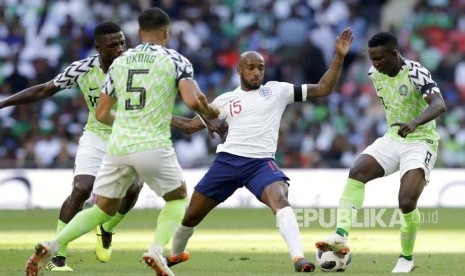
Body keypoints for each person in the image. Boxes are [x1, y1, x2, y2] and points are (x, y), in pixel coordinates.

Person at [24, 7, 219, 276]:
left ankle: (53, 244)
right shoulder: (176, 59)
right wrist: (211, 113)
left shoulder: (120, 64)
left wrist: (128, 118)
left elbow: (102, 113)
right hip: (152, 143)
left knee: (101, 208)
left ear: (138, 33)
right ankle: (155, 250)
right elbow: (192, 100)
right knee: (177, 200)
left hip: (118, 145)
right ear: (166, 32)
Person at [165, 29, 354, 273]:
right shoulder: (225, 100)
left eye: (260, 67)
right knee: (190, 217)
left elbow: (323, 88)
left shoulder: (277, 90)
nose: (256, 72)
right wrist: (161, 115)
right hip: (227, 163)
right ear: (239, 71)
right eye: (251, 67)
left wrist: (338, 56)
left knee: (281, 200)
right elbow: (191, 126)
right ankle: (176, 255)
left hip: (260, 164)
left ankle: (299, 259)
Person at [0, 22, 143, 271]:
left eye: (122, 42)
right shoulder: (83, 69)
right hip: (97, 136)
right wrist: (3, 104)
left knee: (133, 189)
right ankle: (58, 255)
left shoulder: (138, 67)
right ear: (98, 47)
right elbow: (44, 90)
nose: (120, 48)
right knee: (81, 188)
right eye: (113, 45)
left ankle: (107, 228)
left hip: (128, 137)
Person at [315, 31, 446, 273]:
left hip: (421, 141)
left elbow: (440, 104)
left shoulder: (416, 71)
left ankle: (406, 258)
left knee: (406, 202)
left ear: (394, 54)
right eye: (372, 58)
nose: (375, 64)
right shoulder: (374, 74)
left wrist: (415, 122)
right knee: (357, 171)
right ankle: (341, 235)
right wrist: (340, 57)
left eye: (380, 58)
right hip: (393, 138)